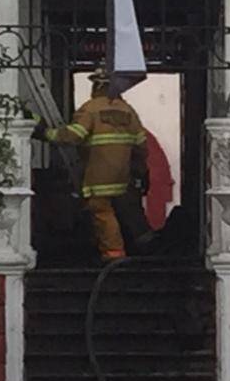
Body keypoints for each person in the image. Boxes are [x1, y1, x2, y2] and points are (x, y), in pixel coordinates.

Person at [33, 68, 155, 262]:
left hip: (98, 175)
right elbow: (141, 145)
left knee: (101, 211)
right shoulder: (128, 110)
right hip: (123, 176)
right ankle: (147, 245)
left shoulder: (90, 109)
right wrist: (140, 170)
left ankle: (114, 255)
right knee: (128, 208)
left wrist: (46, 133)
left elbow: (74, 135)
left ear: (98, 86)